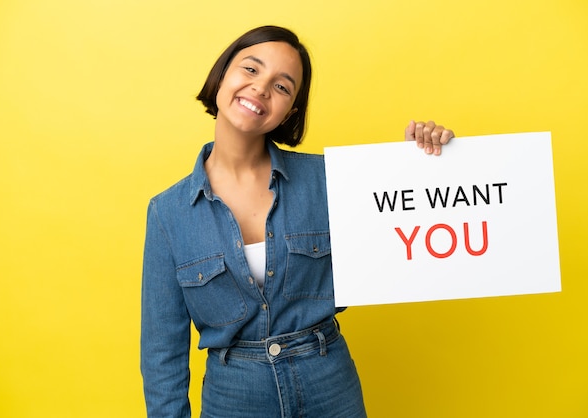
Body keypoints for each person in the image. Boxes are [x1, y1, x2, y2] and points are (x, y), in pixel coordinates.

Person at [141, 25, 454, 418]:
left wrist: (423, 166)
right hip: (232, 395)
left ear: (290, 110)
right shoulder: (168, 213)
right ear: (222, 75)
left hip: (328, 382)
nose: (260, 89)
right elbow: (161, 352)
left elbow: (405, 238)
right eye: (251, 70)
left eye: (282, 86)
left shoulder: (329, 181)